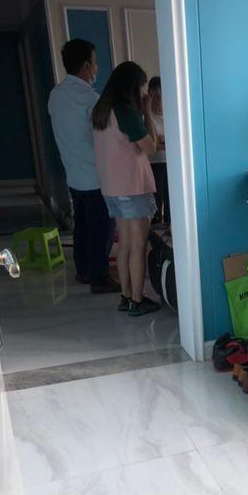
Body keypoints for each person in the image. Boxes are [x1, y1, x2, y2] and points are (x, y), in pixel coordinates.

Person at [48, 38, 119, 294]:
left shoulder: (55, 95)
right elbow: (106, 135)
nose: (97, 68)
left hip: (74, 175)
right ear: (87, 65)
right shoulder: (90, 98)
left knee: (82, 225)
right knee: (101, 228)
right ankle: (99, 278)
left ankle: (83, 270)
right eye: (95, 63)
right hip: (96, 176)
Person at [91, 61, 160, 317]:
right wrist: (147, 113)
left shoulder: (101, 110)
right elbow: (150, 147)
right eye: (141, 87)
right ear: (131, 86)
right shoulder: (125, 111)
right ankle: (137, 301)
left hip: (112, 188)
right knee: (138, 246)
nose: (143, 92)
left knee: (124, 244)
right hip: (132, 187)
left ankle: (126, 297)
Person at [147, 76, 170, 225]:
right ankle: (155, 230)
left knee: (171, 202)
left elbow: (173, 140)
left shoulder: (170, 114)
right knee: (156, 202)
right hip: (154, 163)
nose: (159, 101)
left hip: (171, 162)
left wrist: (160, 141)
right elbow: (151, 143)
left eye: (161, 96)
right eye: (155, 96)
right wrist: (160, 141)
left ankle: (170, 230)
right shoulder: (147, 115)